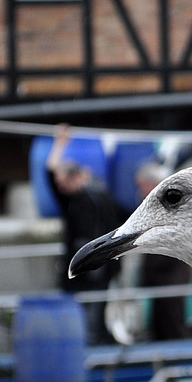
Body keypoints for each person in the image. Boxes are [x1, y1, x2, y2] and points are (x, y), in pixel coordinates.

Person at [46, 125, 123, 344]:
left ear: (75, 178)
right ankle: (89, 342)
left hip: (99, 268)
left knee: (94, 313)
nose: (59, 189)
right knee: (83, 312)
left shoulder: (96, 197)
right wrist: (60, 144)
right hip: (82, 266)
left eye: (63, 184)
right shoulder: (75, 198)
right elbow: (50, 173)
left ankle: (94, 344)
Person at [135, 160, 192, 341]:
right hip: (161, 279)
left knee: (172, 322)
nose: (140, 191)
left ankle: (178, 361)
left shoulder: (173, 213)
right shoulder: (152, 213)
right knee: (160, 323)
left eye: (142, 186)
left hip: (170, 278)